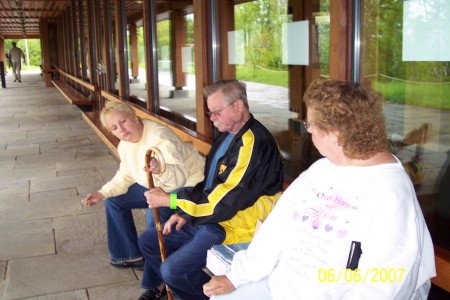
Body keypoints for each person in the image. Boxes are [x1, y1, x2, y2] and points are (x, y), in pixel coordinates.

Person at [203, 79, 436, 300]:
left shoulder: (390, 192)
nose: (309, 131)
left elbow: (386, 283)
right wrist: (236, 277)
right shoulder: (322, 169)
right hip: (280, 288)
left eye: (310, 124)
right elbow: (276, 229)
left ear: (335, 133)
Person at [137, 79, 284, 300]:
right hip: (215, 216)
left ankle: (197, 289)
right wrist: (184, 212)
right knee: (148, 242)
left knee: (172, 270)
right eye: (210, 113)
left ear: (238, 106)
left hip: (233, 223)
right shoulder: (227, 135)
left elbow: (225, 202)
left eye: (216, 112)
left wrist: (172, 201)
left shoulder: (253, 143)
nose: (212, 118)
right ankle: (198, 291)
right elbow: (210, 186)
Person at [81, 101, 205, 269]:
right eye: (115, 128)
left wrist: (161, 169)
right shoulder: (126, 144)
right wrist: (102, 193)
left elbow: (179, 178)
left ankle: (159, 266)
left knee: (154, 211)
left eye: (123, 121)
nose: (121, 130)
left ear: (135, 117)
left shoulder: (160, 137)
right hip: (155, 185)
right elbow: (126, 174)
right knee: (114, 200)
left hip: (189, 186)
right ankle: (131, 255)